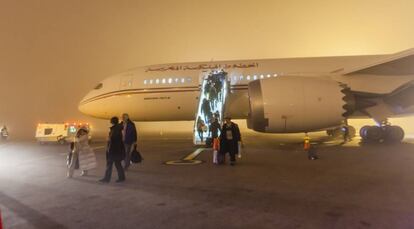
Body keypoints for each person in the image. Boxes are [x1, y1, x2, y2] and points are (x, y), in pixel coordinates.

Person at [100, 117, 126, 183]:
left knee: (110, 164)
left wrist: (108, 146)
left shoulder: (115, 130)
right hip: (117, 150)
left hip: (113, 151)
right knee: (117, 164)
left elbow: (113, 141)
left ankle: (107, 179)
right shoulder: (118, 128)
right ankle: (121, 177)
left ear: (112, 122)